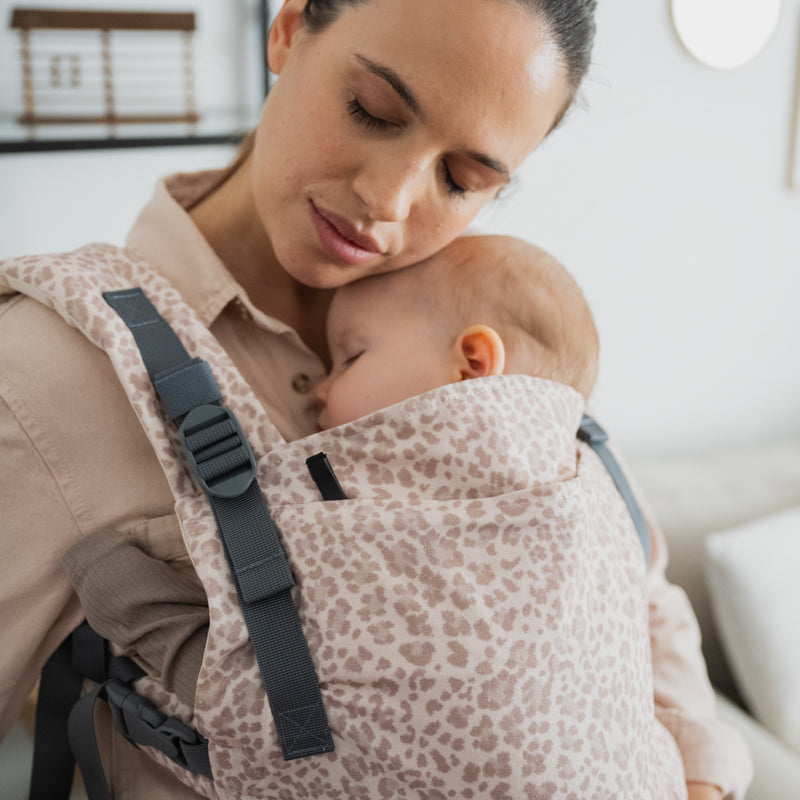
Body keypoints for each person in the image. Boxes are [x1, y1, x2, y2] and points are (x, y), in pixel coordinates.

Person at [0, 1, 750, 798]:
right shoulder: (49, 376)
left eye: (462, 180)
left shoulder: (493, 323)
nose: (389, 201)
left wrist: (698, 781)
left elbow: (635, 587)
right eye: (373, 110)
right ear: (288, 28)